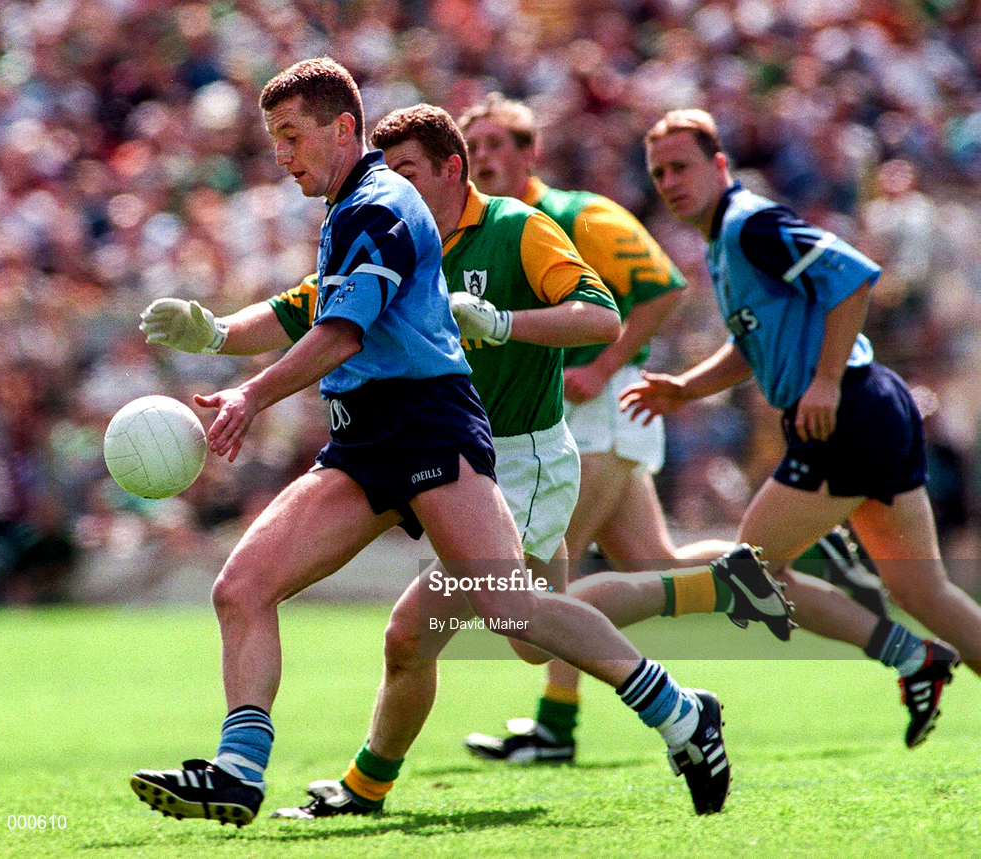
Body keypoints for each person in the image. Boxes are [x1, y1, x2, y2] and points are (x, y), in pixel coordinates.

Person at [126, 63, 738, 826]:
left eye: (292, 135)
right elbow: (305, 310)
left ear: (342, 127)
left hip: (430, 424)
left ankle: (680, 710)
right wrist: (216, 333)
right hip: (363, 439)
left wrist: (253, 393)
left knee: (511, 611)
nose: (281, 154)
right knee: (242, 586)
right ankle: (239, 771)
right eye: (273, 139)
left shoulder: (383, 206)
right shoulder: (350, 210)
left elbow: (341, 332)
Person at [456, 93, 882, 764]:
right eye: (471, 146)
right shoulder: (483, 230)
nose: (481, 157)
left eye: (494, 143)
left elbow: (662, 285)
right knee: (651, 562)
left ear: (529, 151)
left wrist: (603, 365)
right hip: (572, 417)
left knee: (546, 582)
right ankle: (786, 565)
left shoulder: (577, 212)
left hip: (605, 410)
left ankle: (556, 726)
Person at [619, 108, 978, 749]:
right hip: (866, 407)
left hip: (848, 412)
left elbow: (852, 277)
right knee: (924, 589)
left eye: (682, 166)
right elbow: (750, 344)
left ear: (719, 165)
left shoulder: (748, 222)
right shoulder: (724, 241)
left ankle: (904, 653)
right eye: (658, 173)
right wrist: (685, 388)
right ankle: (912, 653)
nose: (670, 182)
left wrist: (825, 381)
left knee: (749, 570)